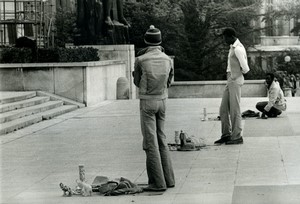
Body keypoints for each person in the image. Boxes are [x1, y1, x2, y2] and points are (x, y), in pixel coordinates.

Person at [133, 25, 175, 191]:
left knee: (150, 142)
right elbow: (170, 82)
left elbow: (136, 81)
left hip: (147, 102)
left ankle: (157, 182)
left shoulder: (141, 60)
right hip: (163, 101)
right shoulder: (168, 59)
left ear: (145, 42)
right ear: (160, 41)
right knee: (162, 139)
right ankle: (169, 179)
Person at [214, 27, 250, 145]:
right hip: (230, 79)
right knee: (223, 109)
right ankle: (226, 134)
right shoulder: (232, 47)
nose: (224, 40)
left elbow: (246, 68)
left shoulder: (238, 49)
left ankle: (237, 136)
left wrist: (235, 76)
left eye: (225, 38)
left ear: (230, 37)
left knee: (235, 110)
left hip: (234, 79)